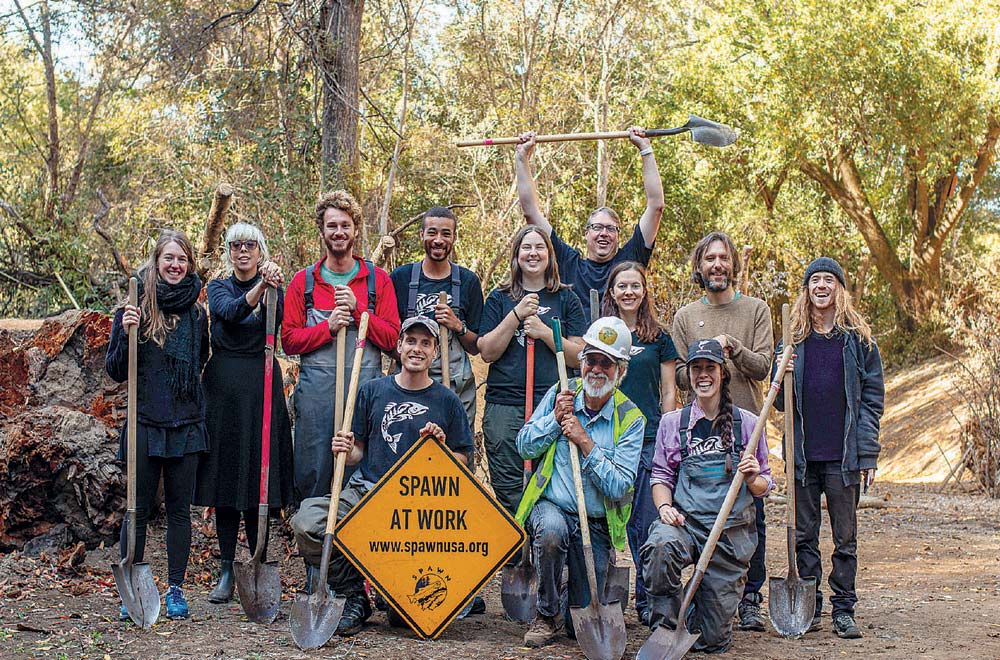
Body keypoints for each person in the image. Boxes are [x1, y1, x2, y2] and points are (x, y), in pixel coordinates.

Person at [290, 316, 475, 636]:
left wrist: (440, 449)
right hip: (368, 489)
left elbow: (462, 461)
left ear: (434, 353)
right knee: (308, 523)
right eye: (411, 341)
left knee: (401, 616)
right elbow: (359, 451)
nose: (417, 349)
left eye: (426, 343)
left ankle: (392, 590)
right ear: (399, 346)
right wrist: (347, 449)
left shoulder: (448, 400)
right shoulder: (373, 391)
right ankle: (352, 594)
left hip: (416, 505)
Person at [514, 316, 645, 648]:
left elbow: (619, 487)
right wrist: (556, 421)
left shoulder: (631, 419)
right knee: (552, 534)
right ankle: (546, 613)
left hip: (596, 523)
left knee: (578, 628)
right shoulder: (562, 392)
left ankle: (568, 598)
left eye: (607, 362)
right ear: (580, 361)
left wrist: (585, 442)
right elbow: (524, 445)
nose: (596, 369)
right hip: (553, 507)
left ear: (621, 371)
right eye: (591, 359)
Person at [774, 257, 884, 639]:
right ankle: (811, 605)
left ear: (840, 288)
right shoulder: (792, 340)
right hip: (804, 455)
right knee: (804, 534)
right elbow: (778, 404)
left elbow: (872, 399)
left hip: (844, 455)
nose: (821, 286)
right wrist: (781, 375)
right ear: (806, 289)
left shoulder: (859, 341)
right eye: (814, 280)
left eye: (828, 280)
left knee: (845, 536)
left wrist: (867, 451)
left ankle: (843, 608)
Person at [641, 338, 773, 654]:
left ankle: (702, 606)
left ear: (722, 374)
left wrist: (753, 477)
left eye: (709, 368)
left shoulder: (748, 425)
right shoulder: (674, 423)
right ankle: (668, 625)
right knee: (660, 547)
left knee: (713, 641)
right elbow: (660, 476)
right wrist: (664, 507)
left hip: (729, 536)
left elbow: (765, 485)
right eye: (696, 368)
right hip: (686, 524)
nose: (703, 375)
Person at [670, 231, 773, 631]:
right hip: (700, 432)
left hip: (747, 426)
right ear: (700, 266)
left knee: (751, 516)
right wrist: (703, 358)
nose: (717, 265)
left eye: (723, 258)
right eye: (710, 259)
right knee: (702, 514)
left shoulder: (755, 310)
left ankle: (750, 598)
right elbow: (680, 373)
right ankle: (704, 592)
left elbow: (764, 366)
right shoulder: (685, 317)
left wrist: (733, 349)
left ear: (733, 265)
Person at [105, 229, 209, 621]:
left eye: (182, 259)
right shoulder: (133, 307)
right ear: (156, 261)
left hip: (186, 423)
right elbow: (115, 371)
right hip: (146, 421)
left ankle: (177, 589)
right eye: (169, 258)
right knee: (138, 508)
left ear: (189, 265)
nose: (175, 265)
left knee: (180, 511)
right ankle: (130, 584)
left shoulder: (197, 313)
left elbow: (201, 358)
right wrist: (127, 333)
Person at [194, 223, 295, 604]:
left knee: (258, 478)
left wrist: (271, 290)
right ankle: (225, 568)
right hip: (223, 388)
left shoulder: (275, 291)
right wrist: (261, 287)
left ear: (260, 250)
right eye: (235, 245)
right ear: (229, 252)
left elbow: (276, 323)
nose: (242, 251)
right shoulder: (218, 287)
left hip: (261, 384)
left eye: (249, 245)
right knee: (225, 481)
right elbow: (232, 313)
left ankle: (258, 560)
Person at [282, 190, 400, 501]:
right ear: (321, 230)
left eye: (345, 225)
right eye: (332, 225)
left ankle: (356, 541)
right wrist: (328, 327)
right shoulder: (303, 283)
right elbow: (289, 341)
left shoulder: (377, 281)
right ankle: (311, 537)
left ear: (356, 229)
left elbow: (392, 341)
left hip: (365, 393)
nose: (339, 232)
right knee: (313, 467)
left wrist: (360, 312)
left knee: (363, 465)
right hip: (316, 398)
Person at [477, 225, 586, 518]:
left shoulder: (566, 299)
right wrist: (516, 315)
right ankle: (516, 554)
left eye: (540, 247)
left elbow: (579, 356)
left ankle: (544, 550)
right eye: (526, 247)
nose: (533, 253)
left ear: (550, 256)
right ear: (516, 255)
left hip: (552, 405)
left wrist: (545, 331)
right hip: (506, 405)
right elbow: (486, 350)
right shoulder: (499, 298)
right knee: (510, 483)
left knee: (549, 479)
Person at [515, 127, 664, 318]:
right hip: (576, 347)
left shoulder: (630, 258)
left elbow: (656, 206)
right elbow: (530, 212)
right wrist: (522, 156)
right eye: (597, 227)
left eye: (610, 228)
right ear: (586, 233)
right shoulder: (568, 263)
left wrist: (645, 148)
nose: (604, 233)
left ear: (618, 235)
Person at [600, 261, 677, 625]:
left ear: (644, 291)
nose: (628, 292)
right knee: (610, 519)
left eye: (635, 285)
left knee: (645, 522)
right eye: (621, 286)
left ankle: (648, 598)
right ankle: (601, 594)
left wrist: (667, 433)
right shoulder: (601, 334)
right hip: (606, 439)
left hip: (647, 438)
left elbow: (669, 390)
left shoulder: (658, 338)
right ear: (611, 292)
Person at [390, 206, 484, 425]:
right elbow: (387, 339)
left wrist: (457, 325)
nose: (438, 240)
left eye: (446, 233)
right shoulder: (400, 279)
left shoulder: (469, 282)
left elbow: (476, 346)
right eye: (432, 232)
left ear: (455, 237)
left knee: (454, 454)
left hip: (455, 390)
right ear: (421, 235)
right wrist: (414, 362)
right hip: (408, 389)